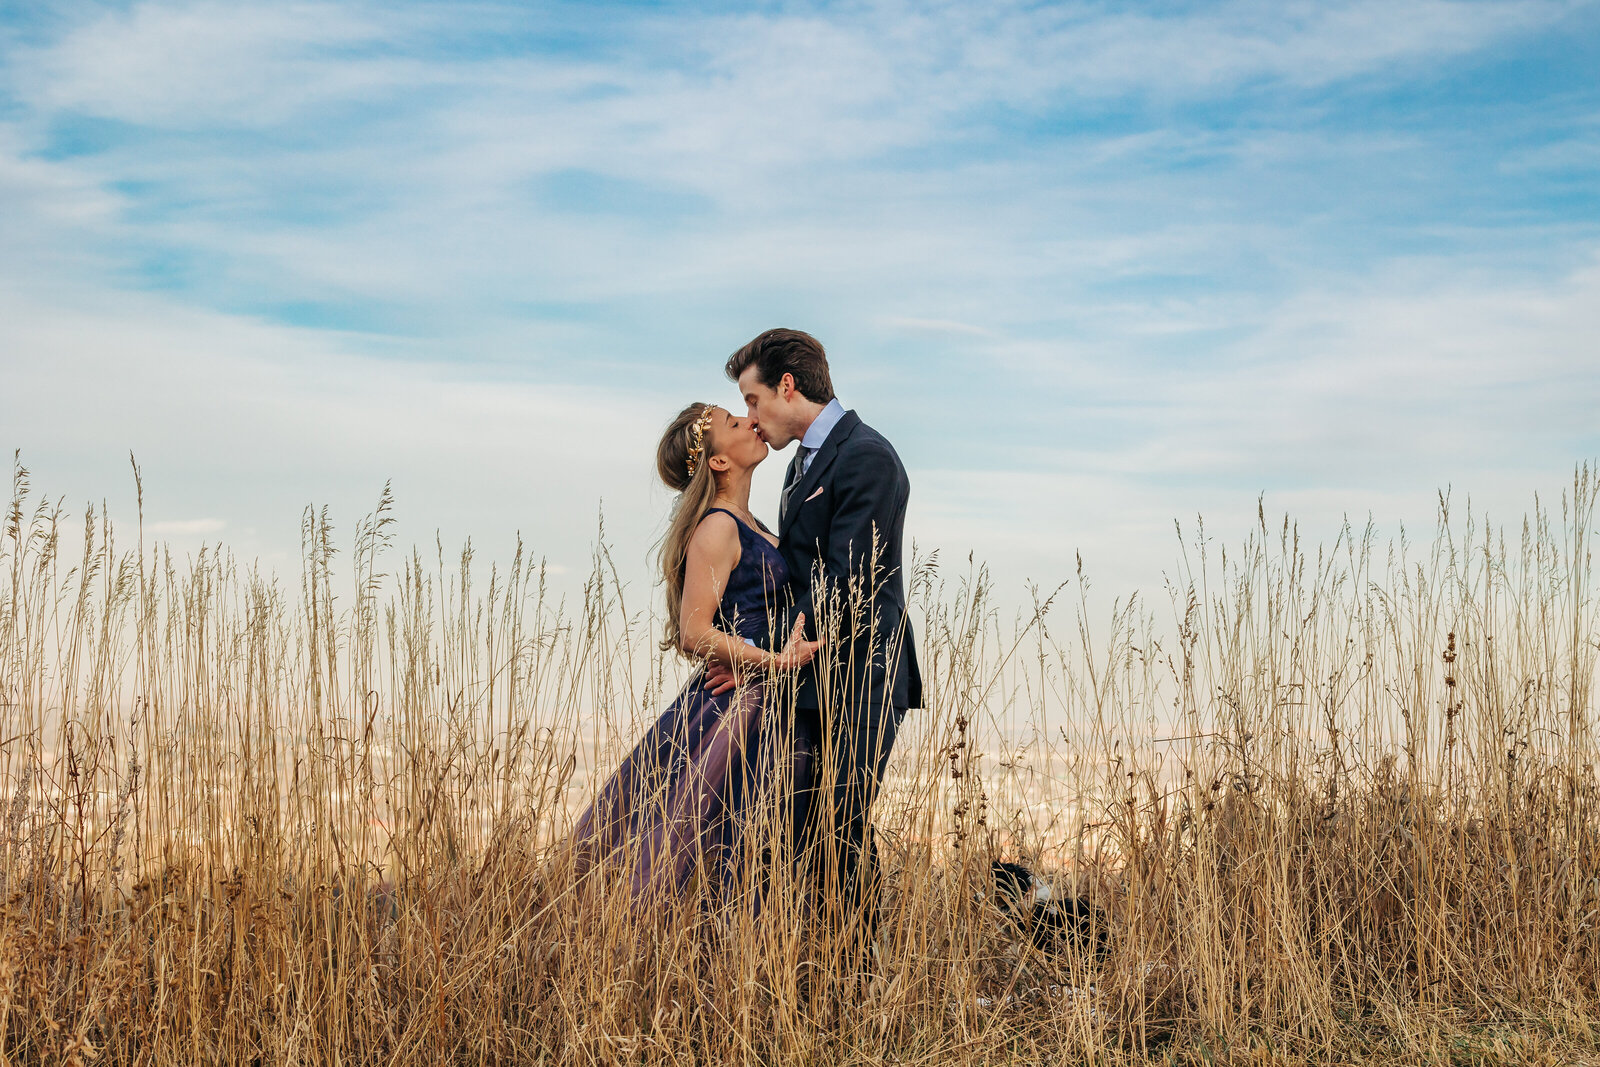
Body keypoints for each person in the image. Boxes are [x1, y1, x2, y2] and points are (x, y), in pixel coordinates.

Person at [709, 328, 923, 960]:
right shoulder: (803, 464)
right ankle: (823, 974)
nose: (750, 417)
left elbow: (846, 584)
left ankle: (855, 980)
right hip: (807, 676)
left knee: (838, 824)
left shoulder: (866, 457)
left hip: (862, 674)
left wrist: (754, 650)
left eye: (752, 400)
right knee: (808, 829)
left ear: (787, 385)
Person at [568, 402, 823, 907]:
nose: (751, 422)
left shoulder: (749, 521)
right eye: (734, 423)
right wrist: (773, 660)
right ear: (718, 462)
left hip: (761, 696)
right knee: (714, 833)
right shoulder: (718, 528)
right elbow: (692, 632)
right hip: (736, 703)